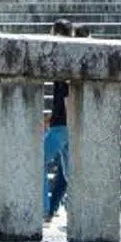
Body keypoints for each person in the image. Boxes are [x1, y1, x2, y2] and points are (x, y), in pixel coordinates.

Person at [41, 19, 80, 225]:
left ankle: (42, 208)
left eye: (51, 33)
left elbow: (67, 95)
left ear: (57, 34)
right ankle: (78, 212)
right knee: (70, 172)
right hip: (64, 124)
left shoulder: (63, 58)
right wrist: (50, 116)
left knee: (36, 159)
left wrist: (68, 122)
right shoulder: (70, 56)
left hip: (62, 127)